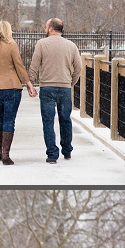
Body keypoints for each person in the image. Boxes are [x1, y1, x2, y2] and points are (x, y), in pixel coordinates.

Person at [0, 20, 38, 165]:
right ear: (6, 31)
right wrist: (29, 84)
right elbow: (19, 67)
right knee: (9, 120)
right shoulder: (11, 45)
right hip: (12, 87)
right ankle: (6, 155)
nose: (12, 32)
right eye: (10, 30)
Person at [28, 17, 82, 163]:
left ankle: (52, 154)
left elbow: (34, 65)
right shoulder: (71, 45)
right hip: (64, 88)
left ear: (51, 28)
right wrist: (71, 82)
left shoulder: (42, 44)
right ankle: (67, 149)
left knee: (48, 121)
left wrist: (30, 83)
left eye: (46, 26)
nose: (45, 29)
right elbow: (79, 67)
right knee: (65, 120)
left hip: (47, 88)